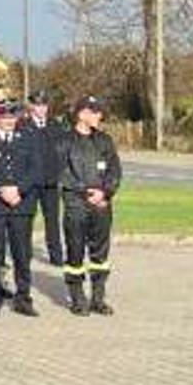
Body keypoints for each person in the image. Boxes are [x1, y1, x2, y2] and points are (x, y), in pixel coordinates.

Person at [0, 96, 42, 318]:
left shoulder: (29, 139)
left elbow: (35, 170)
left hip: (21, 205)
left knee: (22, 254)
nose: (8, 121)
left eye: (11, 116)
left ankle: (23, 299)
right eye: (3, 116)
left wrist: (18, 191)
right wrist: (1, 191)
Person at [59, 95, 121, 316]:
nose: (99, 116)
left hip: (102, 205)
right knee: (75, 253)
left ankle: (98, 298)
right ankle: (77, 299)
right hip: (76, 205)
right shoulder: (64, 141)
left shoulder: (104, 140)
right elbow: (62, 174)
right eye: (94, 112)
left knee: (100, 255)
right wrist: (85, 191)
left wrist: (105, 192)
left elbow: (115, 170)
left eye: (99, 112)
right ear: (82, 114)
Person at [22, 92, 67, 265]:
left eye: (44, 105)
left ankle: (55, 255)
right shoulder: (23, 126)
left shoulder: (55, 125)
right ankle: (25, 253)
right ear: (31, 106)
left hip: (50, 182)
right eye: (38, 105)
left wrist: (59, 173)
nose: (42, 109)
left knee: (52, 221)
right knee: (27, 219)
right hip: (30, 183)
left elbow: (62, 152)